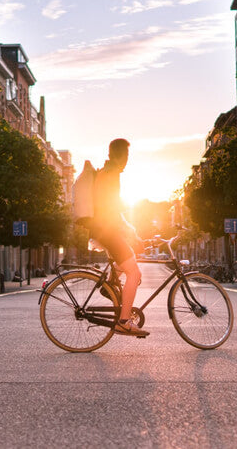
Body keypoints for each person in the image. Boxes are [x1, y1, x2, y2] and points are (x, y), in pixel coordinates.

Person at [91, 139, 148, 337]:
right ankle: (124, 321)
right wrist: (130, 231)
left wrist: (130, 230)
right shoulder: (111, 174)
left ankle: (109, 285)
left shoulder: (106, 172)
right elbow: (111, 209)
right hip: (106, 230)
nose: (126, 160)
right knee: (134, 273)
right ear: (119, 155)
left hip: (103, 229)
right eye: (125, 156)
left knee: (129, 259)